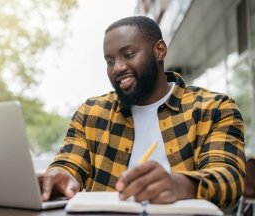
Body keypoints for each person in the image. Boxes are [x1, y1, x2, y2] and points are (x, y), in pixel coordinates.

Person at [39, 16, 246, 208]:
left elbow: (229, 179)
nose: (117, 68)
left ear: (160, 50)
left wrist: (179, 185)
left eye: (128, 54)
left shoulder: (214, 109)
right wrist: (60, 175)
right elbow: (68, 163)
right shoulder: (91, 113)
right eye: (110, 61)